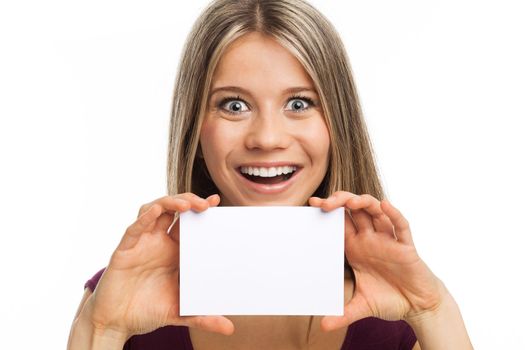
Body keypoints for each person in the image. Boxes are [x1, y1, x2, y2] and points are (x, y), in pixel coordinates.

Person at [67, 0, 473, 349]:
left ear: (337, 123)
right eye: (234, 105)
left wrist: (431, 310)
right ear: (195, 127)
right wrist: (105, 329)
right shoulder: (121, 298)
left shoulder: (397, 311)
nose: (267, 138)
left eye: (299, 103)